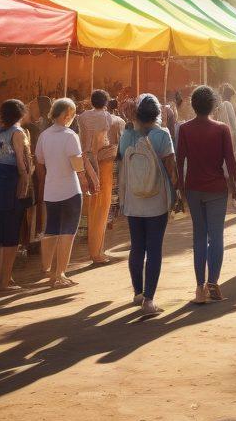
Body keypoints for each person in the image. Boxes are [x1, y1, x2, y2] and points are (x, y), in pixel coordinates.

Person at [176, 86, 236, 305]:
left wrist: (179, 189)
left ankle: (199, 288)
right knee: (216, 236)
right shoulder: (221, 129)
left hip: (193, 188)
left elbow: (179, 160)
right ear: (214, 105)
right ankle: (213, 284)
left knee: (199, 237)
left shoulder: (185, 129)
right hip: (216, 188)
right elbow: (230, 162)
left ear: (193, 105)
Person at [119, 94, 182, 316]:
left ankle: (138, 292)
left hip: (133, 201)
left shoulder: (127, 135)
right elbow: (172, 169)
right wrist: (177, 195)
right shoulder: (162, 135)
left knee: (137, 246)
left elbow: (121, 161)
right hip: (156, 201)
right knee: (154, 249)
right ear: (158, 114)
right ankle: (149, 300)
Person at [35, 98, 96, 289]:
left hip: (51, 191)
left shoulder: (44, 135)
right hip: (70, 189)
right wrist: (85, 181)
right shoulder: (70, 136)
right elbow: (77, 164)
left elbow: (40, 161)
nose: (73, 117)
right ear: (65, 114)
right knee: (67, 232)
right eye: (72, 113)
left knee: (51, 230)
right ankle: (60, 273)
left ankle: (48, 270)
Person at [0, 98, 33, 291]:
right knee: (11, 233)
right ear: (20, 114)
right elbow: (21, 163)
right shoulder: (18, 132)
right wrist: (25, 184)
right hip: (11, 181)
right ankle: (4, 281)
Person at [78, 89, 118, 265]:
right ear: (106, 102)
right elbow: (102, 141)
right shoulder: (107, 117)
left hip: (85, 161)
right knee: (102, 207)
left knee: (93, 206)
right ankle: (97, 252)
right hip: (101, 162)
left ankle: (95, 250)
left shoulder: (82, 117)